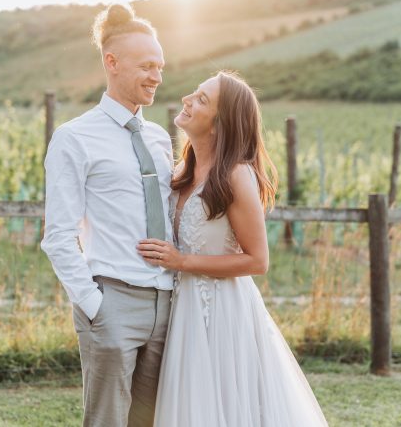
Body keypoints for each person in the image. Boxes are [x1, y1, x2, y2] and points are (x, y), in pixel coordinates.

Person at [137, 71, 329, 426]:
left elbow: (258, 260)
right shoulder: (181, 170)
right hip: (182, 309)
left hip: (222, 312)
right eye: (194, 93)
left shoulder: (236, 175)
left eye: (202, 99)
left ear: (219, 125)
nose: (187, 100)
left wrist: (183, 261)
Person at [41, 3, 174, 427]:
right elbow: (58, 236)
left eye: (160, 66)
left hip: (169, 303)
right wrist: (96, 305)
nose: (156, 76)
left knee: (154, 420)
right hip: (112, 300)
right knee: (107, 421)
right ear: (111, 63)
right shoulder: (74, 138)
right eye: (146, 66)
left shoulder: (159, 138)